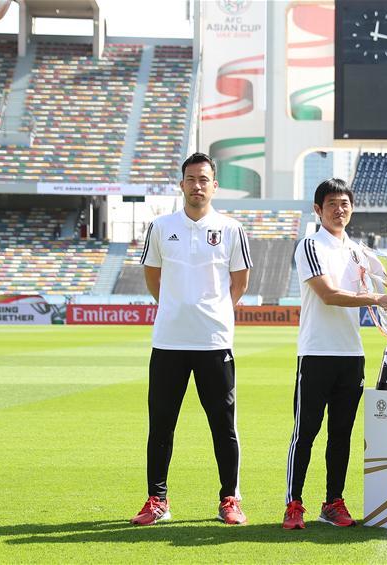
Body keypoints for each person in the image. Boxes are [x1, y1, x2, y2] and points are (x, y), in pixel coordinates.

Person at [130, 152, 252, 526]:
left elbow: (240, 283)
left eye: (204, 179)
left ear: (214, 185)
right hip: (169, 341)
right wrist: (175, 307)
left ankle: (229, 499)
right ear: (181, 184)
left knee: (223, 425)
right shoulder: (161, 226)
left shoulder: (231, 229)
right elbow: (153, 277)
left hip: (214, 341)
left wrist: (212, 313)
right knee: (162, 423)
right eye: (191, 179)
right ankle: (157, 500)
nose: (197, 186)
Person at [282, 178, 387, 530]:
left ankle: (333, 501)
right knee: (305, 432)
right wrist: (380, 298)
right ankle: (294, 503)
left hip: (351, 356)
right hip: (316, 353)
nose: (340, 209)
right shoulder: (310, 245)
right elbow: (329, 294)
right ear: (318, 209)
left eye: (345, 204)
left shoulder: (359, 251)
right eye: (332, 203)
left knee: (341, 434)